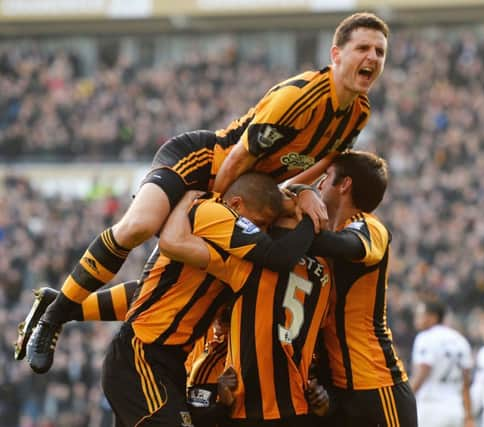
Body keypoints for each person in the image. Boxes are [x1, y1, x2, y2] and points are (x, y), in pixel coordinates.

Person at [26, 11, 390, 374]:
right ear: (336, 54)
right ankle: (53, 318)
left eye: (380, 51)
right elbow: (238, 157)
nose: (372, 58)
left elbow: (315, 164)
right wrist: (217, 206)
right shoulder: (300, 98)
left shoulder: (358, 113)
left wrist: (301, 190)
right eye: (363, 48)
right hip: (204, 164)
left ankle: (65, 305)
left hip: (247, 190)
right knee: (139, 226)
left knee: (189, 280)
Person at [101, 172, 319, 426]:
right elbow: (170, 244)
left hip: (167, 363)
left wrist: (305, 192)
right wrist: (310, 206)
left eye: (266, 228)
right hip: (140, 357)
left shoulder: (228, 253)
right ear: (235, 206)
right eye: (258, 224)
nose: (260, 234)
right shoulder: (207, 223)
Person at [161, 190, 333, 426]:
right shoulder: (326, 271)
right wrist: (307, 195)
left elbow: (172, 244)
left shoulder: (246, 266)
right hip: (298, 409)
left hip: (247, 411)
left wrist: (182, 202)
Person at [308, 151, 417, 427]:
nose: (319, 184)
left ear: (344, 185)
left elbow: (347, 246)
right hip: (340, 389)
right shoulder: (332, 231)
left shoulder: (371, 226)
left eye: (327, 176)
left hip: (377, 384)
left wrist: (296, 220)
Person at [411, 298, 474, 427]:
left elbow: (423, 370)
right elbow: (466, 383)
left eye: (420, 315)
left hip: (431, 407)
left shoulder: (425, 337)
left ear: (433, 317)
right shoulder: (460, 340)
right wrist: (468, 416)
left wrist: (404, 399)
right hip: (455, 409)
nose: (416, 319)